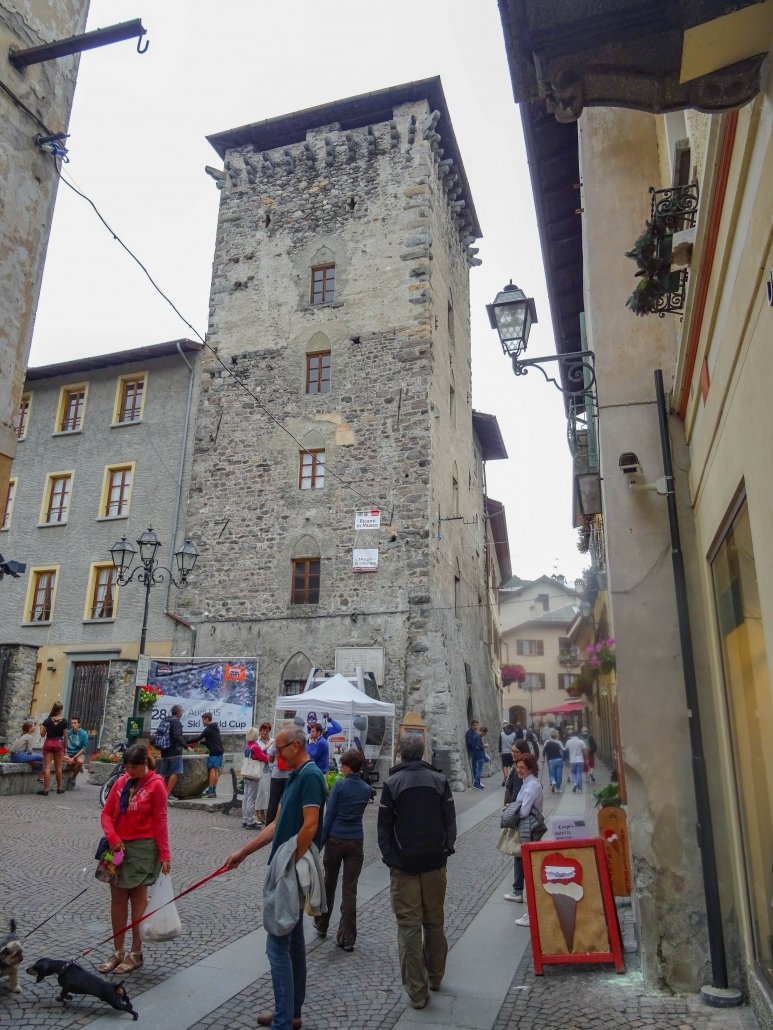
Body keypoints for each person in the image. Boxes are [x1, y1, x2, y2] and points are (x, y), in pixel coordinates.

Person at [224, 723, 326, 1030]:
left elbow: (310, 825)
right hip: (285, 867)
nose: (274, 754)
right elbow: (276, 823)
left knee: (277, 946)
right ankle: (292, 1014)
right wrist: (243, 852)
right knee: (292, 944)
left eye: (278, 748)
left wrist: (288, 863)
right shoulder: (295, 775)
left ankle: (283, 1020)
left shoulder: (310, 776)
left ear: (295, 746)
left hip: (291, 872)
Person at [378, 734, 457, 1011]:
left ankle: (418, 991)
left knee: (409, 928)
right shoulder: (439, 781)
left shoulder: (392, 783)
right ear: (423, 753)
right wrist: (446, 850)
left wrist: (390, 857)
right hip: (435, 864)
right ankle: (435, 976)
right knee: (434, 923)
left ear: (401, 753)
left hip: (404, 867)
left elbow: (384, 827)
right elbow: (450, 820)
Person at [98, 744, 171, 975]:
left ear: (144, 765)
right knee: (117, 898)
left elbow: (160, 819)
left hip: (142, 847)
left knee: (138, 897)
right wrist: (113, 837)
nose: (129, 771)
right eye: (126, 766)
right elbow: (107, 814)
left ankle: (136, 952)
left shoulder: (156, 785)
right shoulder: (121, 783)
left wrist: (165, 853)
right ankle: (118, 951)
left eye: (133, 767)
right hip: (117, 846)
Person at [313, 749, 371, 951]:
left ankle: (322, 924)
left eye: (342, 765)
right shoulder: (365, 789)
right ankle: (347, 936)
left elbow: (329, 817)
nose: (341, 768)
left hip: (336, 839)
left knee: (329, 883)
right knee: (350, 889)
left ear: (348, 766)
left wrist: (319, 844)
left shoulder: (339, 786)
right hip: (356, 840)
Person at [510, 752, 544, 927]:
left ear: (530, 768)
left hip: (529, 831)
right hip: (528, 830)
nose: (519, 770)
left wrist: (511, 810)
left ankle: (533, 914)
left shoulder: (531, 786)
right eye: (517, 767)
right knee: (527, 869)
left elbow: (523, 811)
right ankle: (532, 912)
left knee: (529, 871)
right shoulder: (527, 783)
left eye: (522, 768)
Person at [187, 712, 224, 798]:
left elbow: (198, 738)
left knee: (212, 770)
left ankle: (210, 792)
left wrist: (186, 742)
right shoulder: (215, 727)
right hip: (220, 750)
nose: (202, 722)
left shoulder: (208, 728)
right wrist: (201, 742)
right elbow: (212, 740)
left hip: (214, 751)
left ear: (207, 719)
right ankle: (214, 791)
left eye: (203, 720)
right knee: (216, 770)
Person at [156, 704, 188, 797]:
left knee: (163, 774)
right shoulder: (176, 722)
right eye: (181, 711)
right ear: (178, 712)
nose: (182, 713)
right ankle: (167, 794)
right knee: (176, 772)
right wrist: (186, 746)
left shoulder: (165, 720)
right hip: (175, 751)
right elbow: (177, 736)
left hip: (164, 750)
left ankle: (158, 792)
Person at [242, 726, 271, 829]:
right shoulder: (255, 746)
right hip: (253, 774)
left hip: (246, 773)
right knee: (251, 799)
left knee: (245, 798)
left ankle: (245, 819)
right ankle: (250, 821)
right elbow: (264, 758)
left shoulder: (248, 745)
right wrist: (268, 754)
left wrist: (264, 748)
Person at [38, 702, 67, 795]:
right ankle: (59, 788)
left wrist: (40, 728)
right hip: (58, 744)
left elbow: (42, 735)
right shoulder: (64, 721)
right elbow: (66, 736)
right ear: (60, 710)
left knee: (47, 767)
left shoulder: (47, 721)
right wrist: (65, 747)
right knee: (58, 767)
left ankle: (46, 790)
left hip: (48, 743)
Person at [64, 716, 89, 789]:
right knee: (59, 757)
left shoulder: (84, 734)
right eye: (71, 723)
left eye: (75, 723)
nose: (73, 725)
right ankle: (78, 767)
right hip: (68, 753)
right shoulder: (68, 732)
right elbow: (64, 745)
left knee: (80, 761)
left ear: (79, 724)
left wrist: (74, 758)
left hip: (78, 753)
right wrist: (66, 755)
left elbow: (83, 749)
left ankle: (73, 777)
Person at [464, 719, 486, 789]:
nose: (477, 726)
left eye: (477, 725)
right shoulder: (469, 733)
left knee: (476, 767)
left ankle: (477, 782)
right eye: (475, 725)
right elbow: (470, 744)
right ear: (472, 725)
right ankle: (476, 782)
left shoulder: (475, 733)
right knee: (475, 768)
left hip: (477, 752)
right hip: (473, 752)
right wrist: (480, 746)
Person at [565, 729, 588, 793]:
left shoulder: (568, 742)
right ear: (578, 735)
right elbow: (585, 751)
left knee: (573, 773)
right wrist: (586, 759)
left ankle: (575, 784)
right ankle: (579, 788)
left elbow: (566, 750)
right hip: (580, 760)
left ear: (571, 735)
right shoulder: (581, 741)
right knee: (579, 773)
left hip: (572, 761)